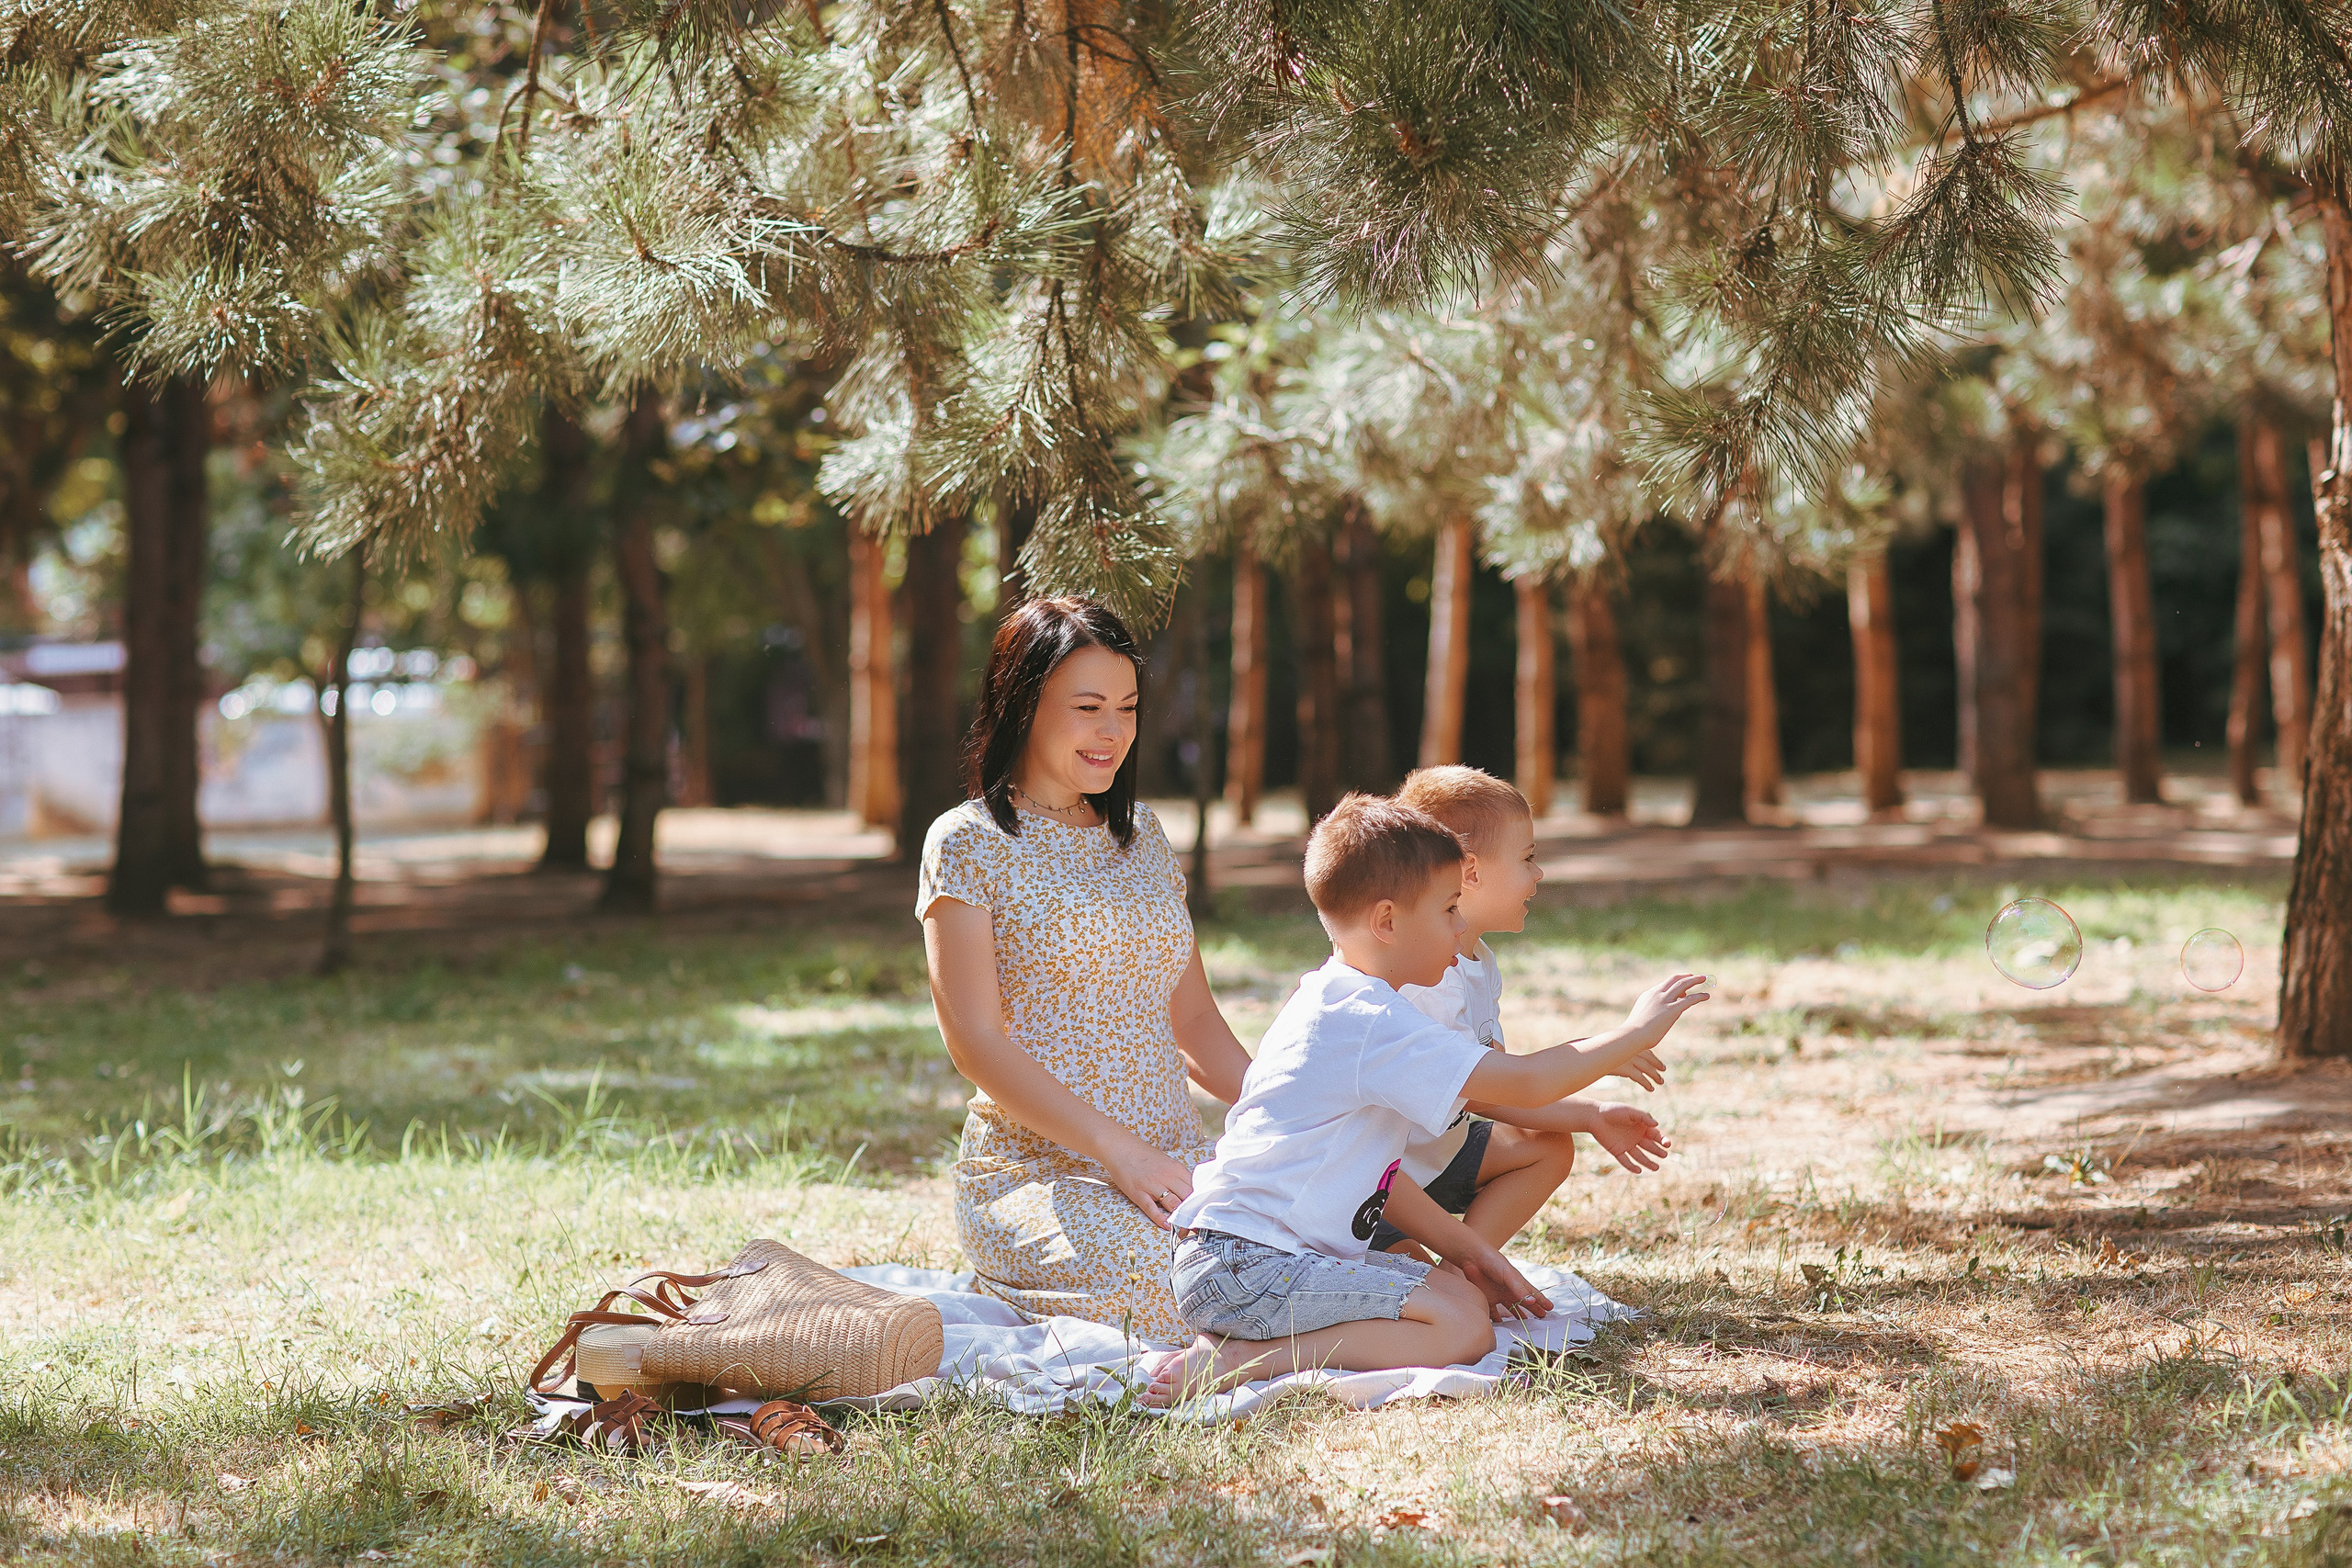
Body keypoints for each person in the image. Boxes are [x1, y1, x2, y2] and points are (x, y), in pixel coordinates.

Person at [1145, 794, 1709, 1405]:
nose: (1460, 927)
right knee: (1462, 1328)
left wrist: (1473, 1254)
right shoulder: (1368, 1020)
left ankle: (1248, 1348)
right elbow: (1520, 1083)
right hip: (1245, 1266)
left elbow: (1387, 1180)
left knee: (1466, 1300)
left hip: (1253, 1259)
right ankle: (1244, 1359)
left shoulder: (1345, 1000)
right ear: (1387, 921)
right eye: (1447, 910)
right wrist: (1632, 1032)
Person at [918, 597, 1252, 1342]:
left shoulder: (1146, 837)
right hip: (1038, 1173)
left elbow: (1193, 1019)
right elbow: (975, 1040)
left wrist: (1287, 1106)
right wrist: (1117, 1151)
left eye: (1128, 707)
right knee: (1176, 1289)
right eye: (1089, 706)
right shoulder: (968, 842)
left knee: (1304, 1248)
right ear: (1024, 703)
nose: (1114, 732)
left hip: (1177, 1161)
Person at [1371, 764, 1675, 1258]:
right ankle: (1458, 1271)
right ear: (1470, 871)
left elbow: (1500, 1076)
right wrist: (1619, 1044)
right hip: (1380, 1187)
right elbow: (1486, 1095)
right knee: (1417, 1287)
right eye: (1528, 858)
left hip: (1434, 1157)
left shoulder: (1477, 960)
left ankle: (1469, 1266)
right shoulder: (1426, 982)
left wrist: (1591, 1099)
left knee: (1545, 1144)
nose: (1538, 873)